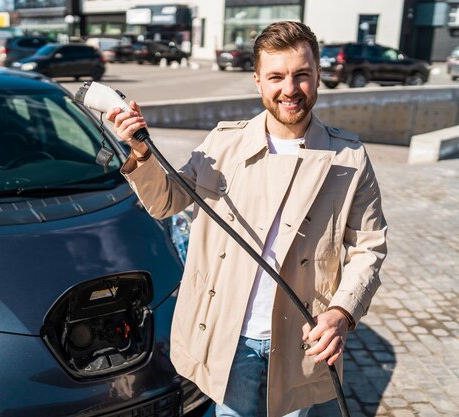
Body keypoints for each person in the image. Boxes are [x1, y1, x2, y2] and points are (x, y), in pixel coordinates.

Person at [106, 21, 388, 417]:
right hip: (228, 334)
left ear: (318, 76)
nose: (289, 89)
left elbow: (368, 248)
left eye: (301, 75)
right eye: (276, 77)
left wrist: (343, 312)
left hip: (301, 341)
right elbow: (166, 201)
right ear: (258, 81)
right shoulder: (224, 144)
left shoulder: (350, 158)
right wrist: (141, 153)